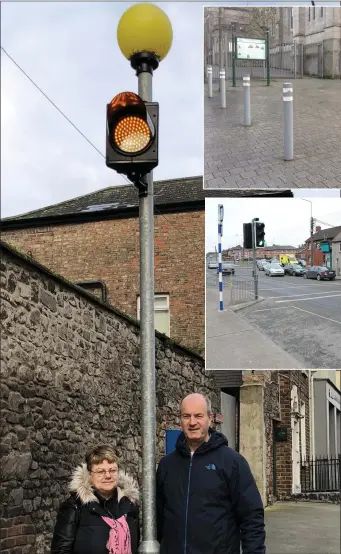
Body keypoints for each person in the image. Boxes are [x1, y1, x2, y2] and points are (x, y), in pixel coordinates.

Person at [156, 393, 266, 554]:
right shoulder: (167, 465)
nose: (192, 422)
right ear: (180, 420)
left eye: (198, 416)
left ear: (210, 418)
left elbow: (252, 518)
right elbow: (158, 518)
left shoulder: (232, 462)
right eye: (186, 416)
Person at [51, 444, 140, 554]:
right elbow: (61, 550)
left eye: (112, 470)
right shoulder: (75, 507)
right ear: (89, 474)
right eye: (100, 471)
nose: (108, 476)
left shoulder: (129, 506)